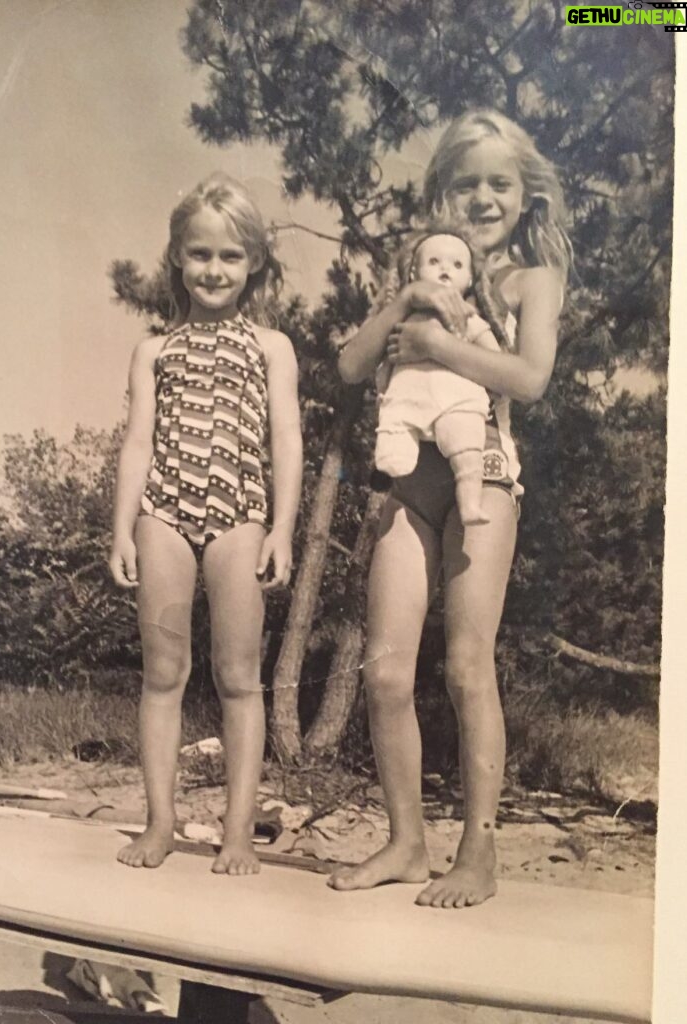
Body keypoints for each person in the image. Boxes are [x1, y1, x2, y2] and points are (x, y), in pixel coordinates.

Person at [331, 109, 571, 907]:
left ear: (525, 193)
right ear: (442, 192)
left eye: (498, 183)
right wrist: (403, 304)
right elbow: (349, 364)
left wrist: (436, 346)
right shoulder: (422, 274)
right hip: (408, 487)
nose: (481, 197)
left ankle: (478, 850)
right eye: (465, 183)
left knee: (467, 666)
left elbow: (529, 377)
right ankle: (405, 842)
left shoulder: (529, 280)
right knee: (384, 669)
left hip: (483, 481)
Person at [109, 173, 302, 876]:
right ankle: (159, 823)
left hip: (239, 517)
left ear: (252, 262)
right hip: (163, 512)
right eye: (198, 255)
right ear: (177, 260)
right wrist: (121, 528)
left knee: (238, 678)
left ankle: (237, 834)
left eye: (228, 256)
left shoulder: (272, 347)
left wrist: (281, 528)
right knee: (163, 673)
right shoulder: (153, 351)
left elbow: (287, 439)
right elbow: (136, 443)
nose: (212, 270)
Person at [375, 226, 507, 526]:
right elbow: (383, 358)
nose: (445, 269)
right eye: (434, 262)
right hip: (408, 397)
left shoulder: (468, 316)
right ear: (413, 273)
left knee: (466, 448)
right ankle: (389, 465)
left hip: (455, 400)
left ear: (470, 279)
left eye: (457, 264)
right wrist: (383, 382)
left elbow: (495, 359)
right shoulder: (403, 315)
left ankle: (470, 503)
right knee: (394, 432)